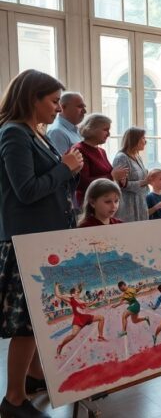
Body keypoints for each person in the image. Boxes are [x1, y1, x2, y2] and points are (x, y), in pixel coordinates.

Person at [0, 69, 82, 418]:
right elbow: (27, 190)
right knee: (27, 323)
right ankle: (13, 399)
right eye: (52, 102)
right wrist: (64, 168)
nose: (56, 108)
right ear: (33, 99)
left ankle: (33, 378)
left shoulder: (35, 134)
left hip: (44, 239)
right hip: (25, 242)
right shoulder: (13, 134)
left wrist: (67, 170)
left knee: (40, 318)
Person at [71, 114, 128, 208]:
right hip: (89, 206)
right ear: (91, 129)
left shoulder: (101, 151)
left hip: (106, 205)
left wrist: (120, 179)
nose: (109, 134)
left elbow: (110, 176)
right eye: (105, 129)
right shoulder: (79, 150)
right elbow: (81, 183)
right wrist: (112, 176)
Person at [53, 283, 107, 355]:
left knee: (101, 318)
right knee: (73, 335)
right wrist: (56, 286)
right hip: (79, 320)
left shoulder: (81, 301)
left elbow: (89, 304)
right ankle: (61, 346)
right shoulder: (71, 299)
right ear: (73, 294)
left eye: (78, 292)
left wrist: (98, 297)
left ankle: (100, 337)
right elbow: (58, 295)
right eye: (77, 292)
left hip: (86, 318)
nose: (78, 293)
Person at [113, 127, 151, 222]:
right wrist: (144, 182)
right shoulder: (122, 158)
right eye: (143, 138)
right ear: (134, 140)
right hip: (128, 206)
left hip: (141, 204)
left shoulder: (137, 156)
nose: (145, 141)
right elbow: (121, 185)